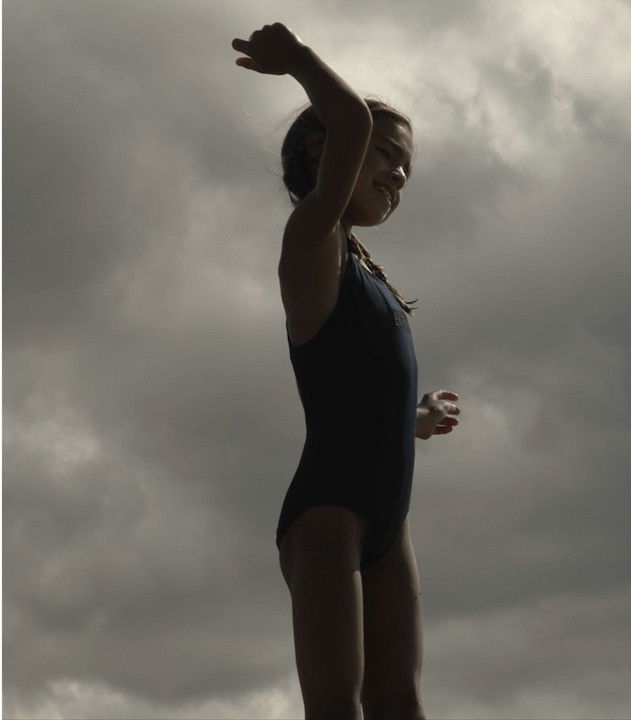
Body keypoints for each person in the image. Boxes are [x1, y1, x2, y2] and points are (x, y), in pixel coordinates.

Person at [233, 22, 460, 719]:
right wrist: (298, 60)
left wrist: (416, 417)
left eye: (405, 167)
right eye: (387, 155)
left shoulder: (370, 275)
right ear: (322, 147)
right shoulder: (313, 237)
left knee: (402, 704)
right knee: (337, 708)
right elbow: (352, 120)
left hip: (390, 522)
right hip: (328, 512)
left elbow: (360, 393)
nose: (397, 174)